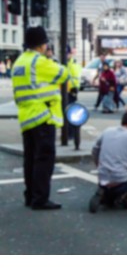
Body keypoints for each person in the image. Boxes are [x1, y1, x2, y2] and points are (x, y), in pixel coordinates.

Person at [12, 26, 69, 210]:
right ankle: (40, 199)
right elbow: (64, 74)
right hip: (43, 116)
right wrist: (51, 58)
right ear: (42, 45)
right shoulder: (39, 61)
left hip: (26, 117)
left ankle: (30, 195)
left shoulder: (19, 62)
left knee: (30, 159)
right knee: (44, 159)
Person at [89, 111, 127, 213]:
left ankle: (104, 191)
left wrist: (98, 164)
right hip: (120, 179)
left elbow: (95, 149)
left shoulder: (107, 131)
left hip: (102, 175)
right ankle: (124, 197)